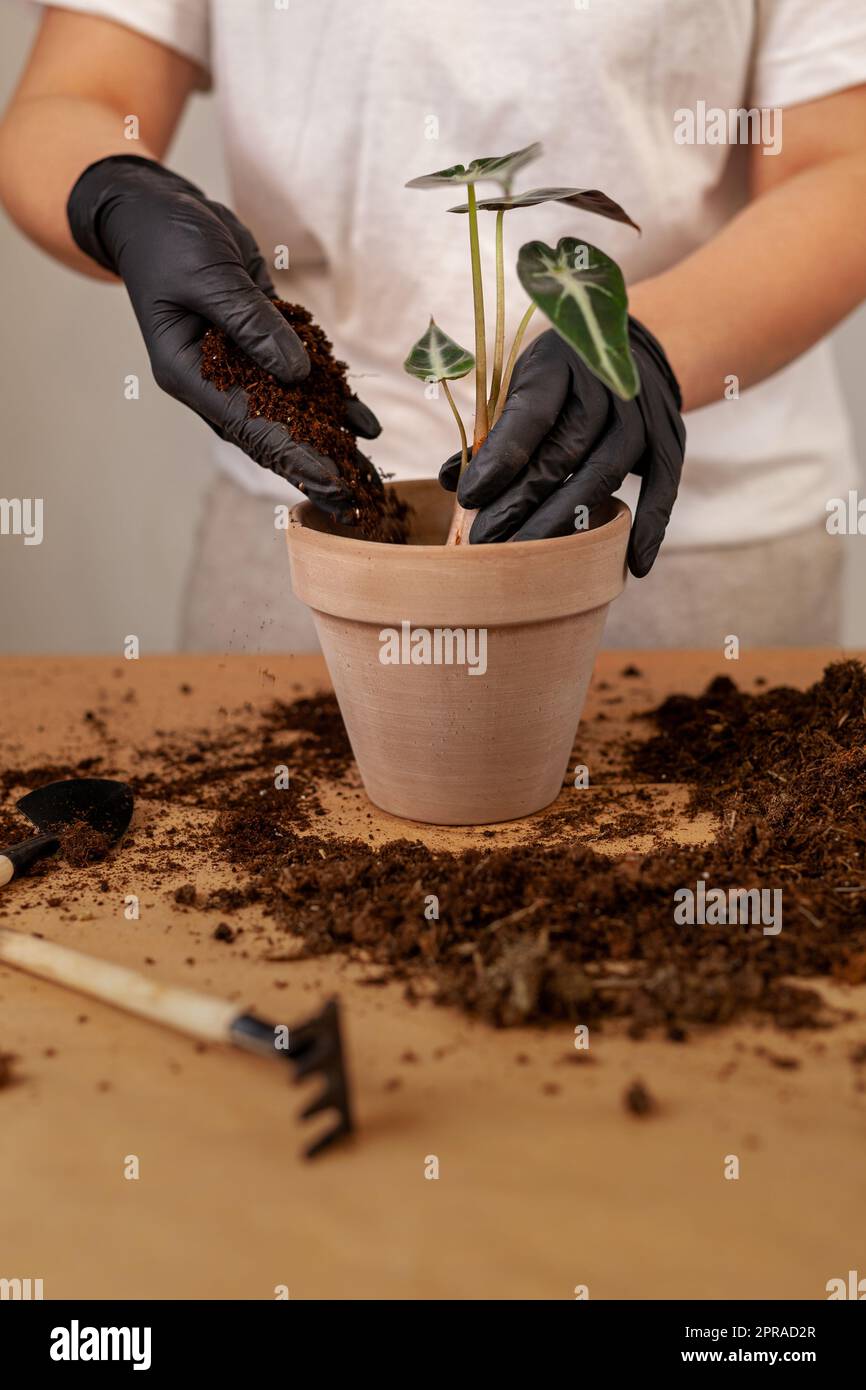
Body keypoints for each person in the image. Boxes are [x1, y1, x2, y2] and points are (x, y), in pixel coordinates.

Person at [1, 1, 864, 651]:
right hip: (317, 526)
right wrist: (116, 195)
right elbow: (77, 93)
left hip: (693, 547)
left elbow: (843, 163)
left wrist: (636, 345)